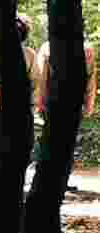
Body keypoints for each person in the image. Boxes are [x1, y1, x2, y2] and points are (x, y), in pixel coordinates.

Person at [0, 16, 40, 185]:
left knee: (22, 145)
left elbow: (35, 81)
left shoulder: (30, 54)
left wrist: (29, 101)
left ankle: (13, 181)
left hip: (21, 108)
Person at [36, 38, 96, 192]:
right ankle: (61, 180)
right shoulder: (86, 49)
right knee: (67, 143)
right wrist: (88, 104)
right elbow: (90, 78)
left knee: (51, 141)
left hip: (52, 103)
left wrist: (40, 102)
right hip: (74, 103)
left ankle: (47, 180)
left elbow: (41, 77)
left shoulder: (47, 47)